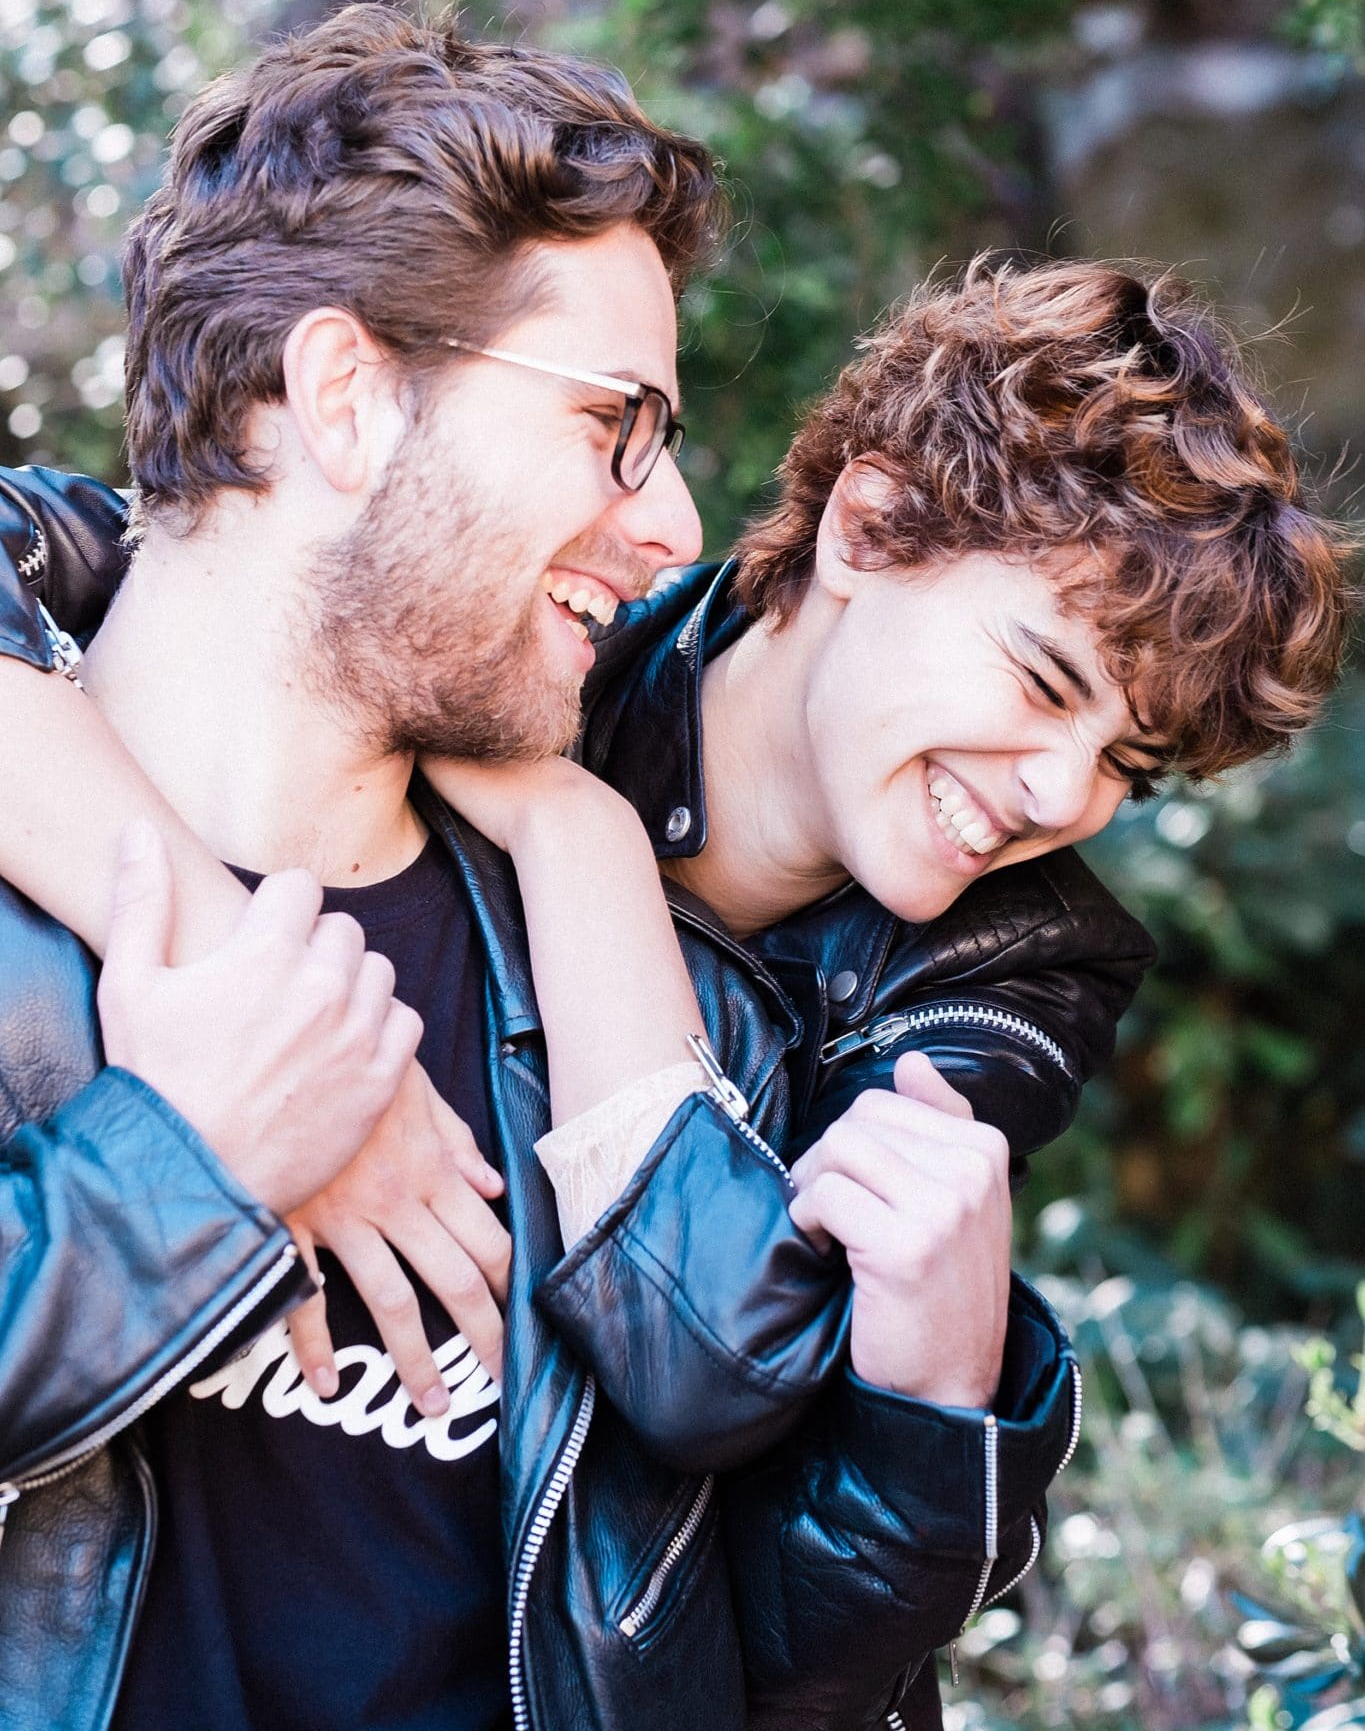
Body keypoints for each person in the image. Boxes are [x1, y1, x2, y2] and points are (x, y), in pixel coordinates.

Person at [0, 208, 1348, 1725]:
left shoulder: (1020, 962)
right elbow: (175, 554)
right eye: (1041, 683)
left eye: (1127, 763)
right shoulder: (527, 632)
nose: (1059, 796)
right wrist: (269, 980)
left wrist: (942, 1403)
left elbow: (739, 1401)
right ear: (861, 525)